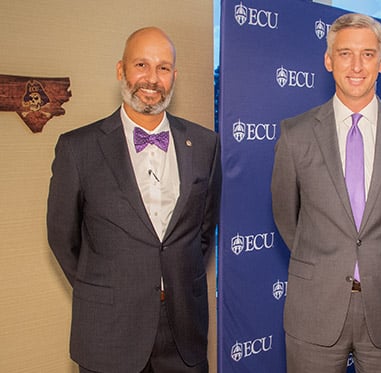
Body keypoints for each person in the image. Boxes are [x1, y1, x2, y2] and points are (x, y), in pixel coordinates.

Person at [47, 27, 221, 373]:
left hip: (183, 333)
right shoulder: (78, 148)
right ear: (121, 70)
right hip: (109, 332)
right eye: (141, 65)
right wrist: (107, 286)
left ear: (174, 76)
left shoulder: (204, 144)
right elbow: (63, 239)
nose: (152, 79)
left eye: (163, 67)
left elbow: (202, 231)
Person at [271, 13, 381, 373]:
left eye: (367, 53)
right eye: (345, 53)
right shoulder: (295, 133)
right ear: (329, 60)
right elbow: (286, 217)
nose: (356, 65)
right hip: (315, 306)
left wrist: (378, 256)